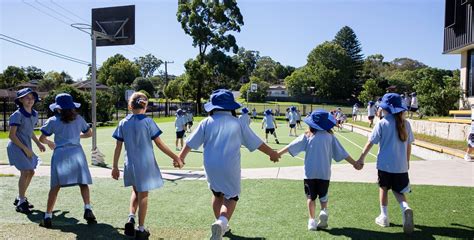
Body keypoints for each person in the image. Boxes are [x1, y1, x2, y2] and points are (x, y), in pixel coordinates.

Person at [178, 89, 279, 240]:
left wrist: (181, 157)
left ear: (213, 107)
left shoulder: (206, 122)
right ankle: (222, 222)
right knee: (232, 197)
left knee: (217, 193)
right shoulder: (238, 123)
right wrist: (272, 153)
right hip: (229, 165)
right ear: (231, 107)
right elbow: (256, 142)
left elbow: (190, 143)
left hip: (210, 166)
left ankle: (220, 224)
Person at [111, 92, 182, 239]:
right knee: (144, 194)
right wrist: (176, 157)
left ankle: (131, 217)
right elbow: (160, 144)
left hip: (129, 164)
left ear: (130, 106)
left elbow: (118, 147)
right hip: (145, 164)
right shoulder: (148, 122)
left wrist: (115, 167)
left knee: (136, 190)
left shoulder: (123, 123)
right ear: (146, 106)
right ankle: (141, 229)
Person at [278, 110, 361, 230]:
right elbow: (343, 153)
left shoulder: (307, 136)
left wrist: (277, 154)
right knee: (323, 196)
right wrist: (355, 163)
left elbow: (291, 146)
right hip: (324, 173)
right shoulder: (330, 137)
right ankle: (323, 211)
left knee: (310, 197)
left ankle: (311, 220)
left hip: (310, 173)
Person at [357, 93, 415, 234]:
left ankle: (384, 216)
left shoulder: (382, 123)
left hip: (385, 165)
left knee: (383, 188)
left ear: (385, 108)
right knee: (399, 191)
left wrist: (361, 159)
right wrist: (407, 162)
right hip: (401, 166)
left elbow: (371, 142)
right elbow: (409, 145)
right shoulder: (406, 124)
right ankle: (405, 208)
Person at [38, 93, 96, 228]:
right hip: (77, 153)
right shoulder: (79, 119)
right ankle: (88, 209)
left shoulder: (52, 121)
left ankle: (47, 216)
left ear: (58, 108)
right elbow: (89, 133)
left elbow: (42, 138)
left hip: (60, 155)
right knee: (83, 183)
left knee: (55, 186)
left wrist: (49, 142)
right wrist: (77, 136)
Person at [7, 88, 45, 214]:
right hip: (16, 147)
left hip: (26, 146)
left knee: (31, 172)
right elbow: (12, 135)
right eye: (27, 97)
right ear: (21, 100)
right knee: (25, 172)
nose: (30, 100)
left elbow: (30, 132)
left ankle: (20, 198)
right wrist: (25, 148)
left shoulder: (35, 114)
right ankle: (22, 202)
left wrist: (38, 143)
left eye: (32, 97)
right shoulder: (17, 115)